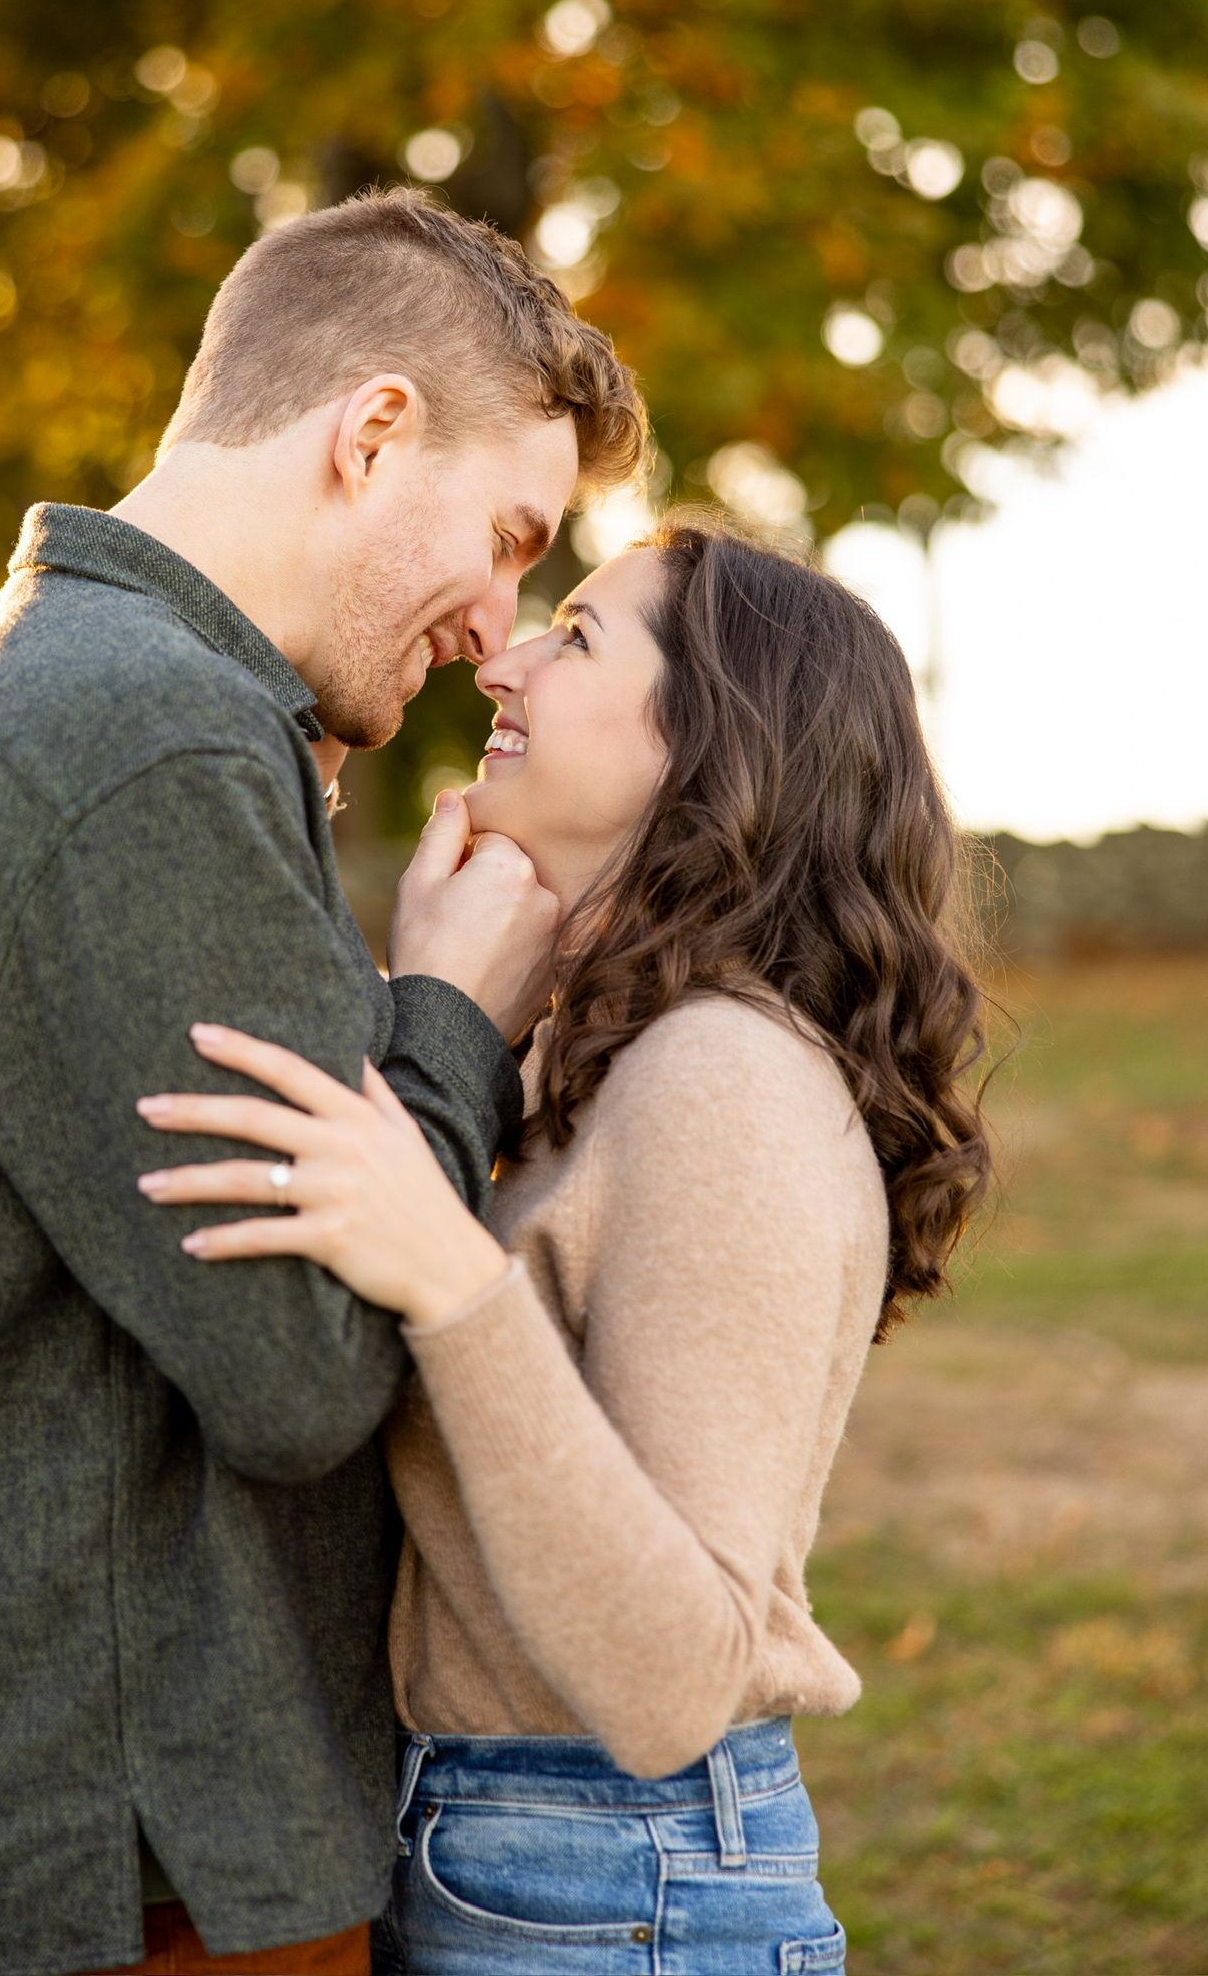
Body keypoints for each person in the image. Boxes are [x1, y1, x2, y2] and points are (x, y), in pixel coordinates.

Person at [0, 187, 647, 1976]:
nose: (498, 627)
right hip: (145, 1858)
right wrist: (454, 1011)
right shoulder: (147, 733)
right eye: (509, 537)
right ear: (371, 433)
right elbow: (304, 1366)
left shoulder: (83, 682)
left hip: (111, 1825)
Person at [137, 517, 994, 1973]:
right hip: (515, 1851)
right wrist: (437, 1009)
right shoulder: (594, 1058)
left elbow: (672, 1680)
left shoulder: (723, 1075)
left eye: (578, 633)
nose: (502, 661)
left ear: (711, 745)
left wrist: (447, 1268)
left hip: (614, 1877)